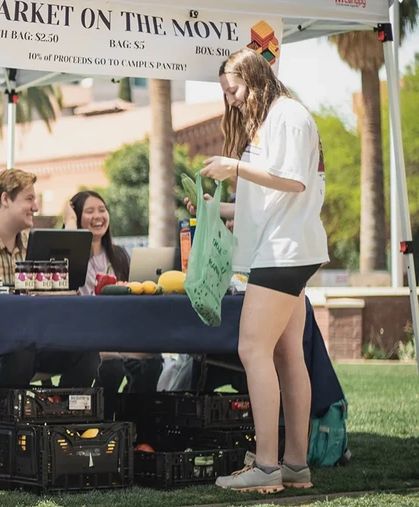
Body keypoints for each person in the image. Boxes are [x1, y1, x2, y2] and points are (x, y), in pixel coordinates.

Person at [185, 48, 328, 493]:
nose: (232, 101)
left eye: (235, 90)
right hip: (286, 249)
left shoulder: (288, 115)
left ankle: (266, 467)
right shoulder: (274, 118)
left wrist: (235, 166)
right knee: (286, 355)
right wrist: (219, 206)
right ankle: (294, 466)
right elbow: (272, 196)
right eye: (226, 93)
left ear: (256, 78)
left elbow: (294, 182)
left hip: (284, 252)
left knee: (251, 348)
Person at [0, 169, 100, 388]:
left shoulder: (35, 244)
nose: (36, 207)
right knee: (21, 351)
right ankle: (0, 419)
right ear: (5, 199)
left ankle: (58, 413)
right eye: (29, 199)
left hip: (33, 342)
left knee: (87, 352)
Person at [63, 190, 161, 418]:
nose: (98, 216)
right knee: (112, 367)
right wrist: (69, 225)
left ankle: (133, 425)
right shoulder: (72, 257)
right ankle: (106, 425)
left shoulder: (118, 255)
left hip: (120, 337)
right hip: (88, 340)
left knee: (153, 362)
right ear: (77, 218)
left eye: (102, 209)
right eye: (89, 211)